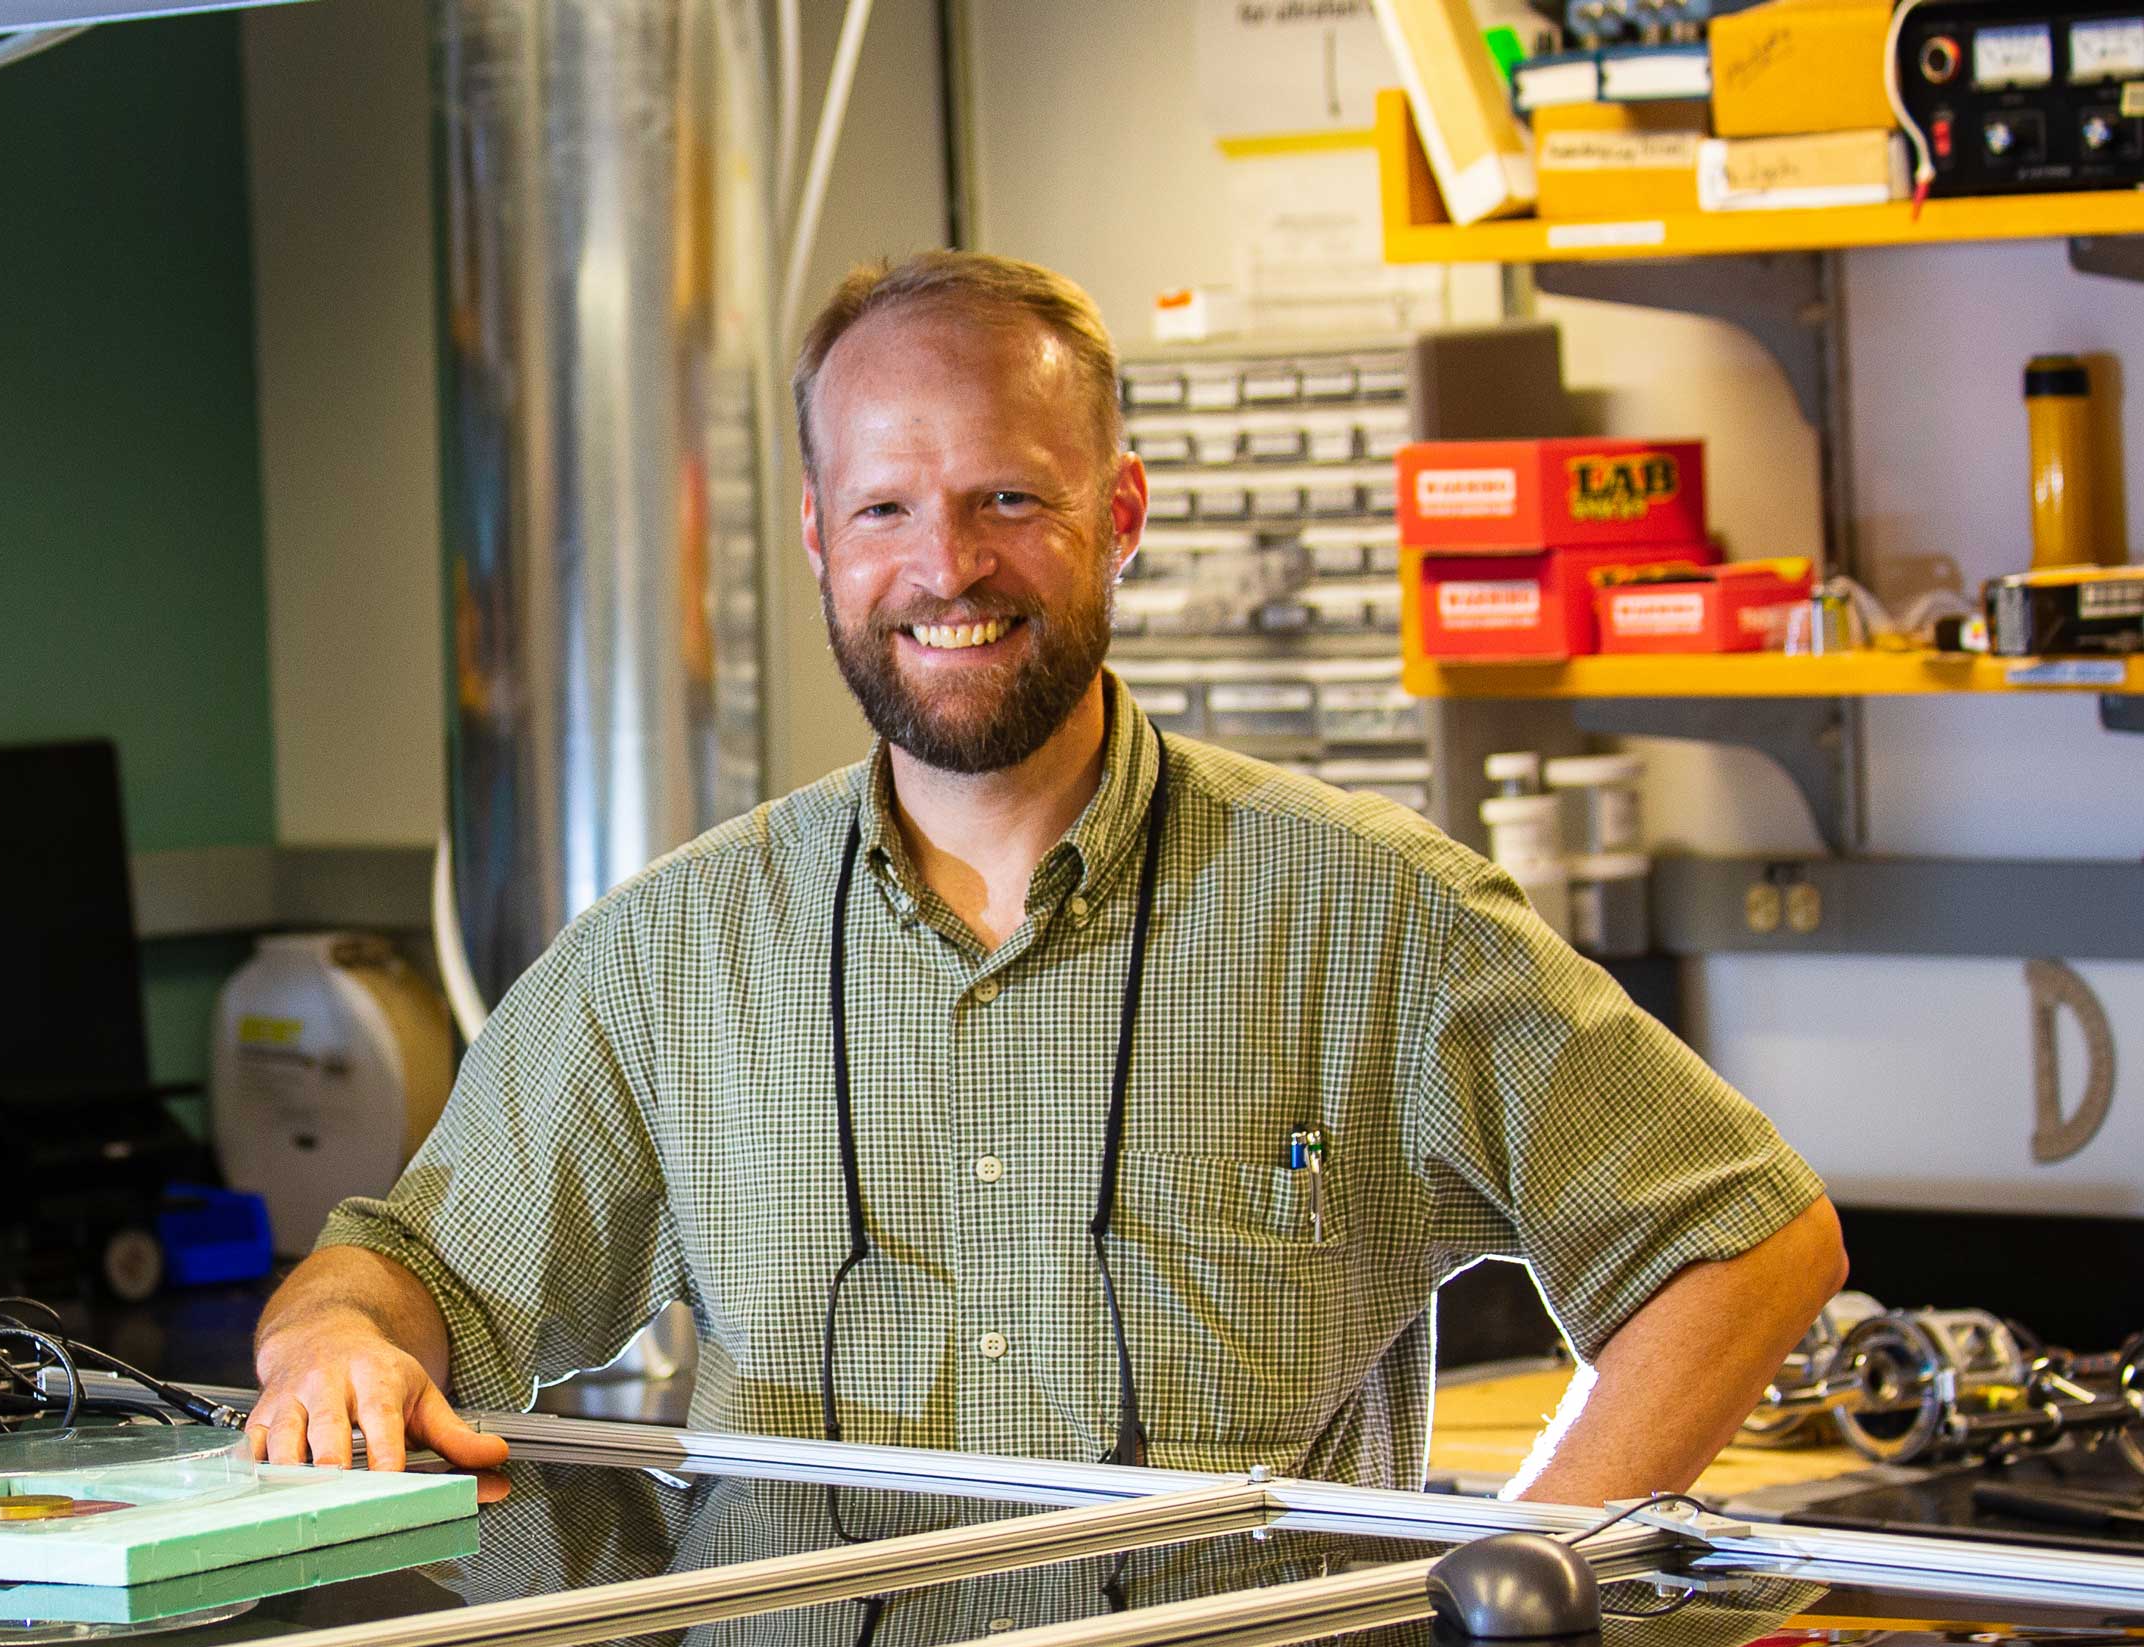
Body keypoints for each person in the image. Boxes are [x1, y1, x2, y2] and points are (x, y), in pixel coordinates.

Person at [248, 250, 1845, 1503]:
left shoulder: (1375, 921)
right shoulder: (677, 955)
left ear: (1120, 516)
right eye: (887, 508)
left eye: (1009, 497)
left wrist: (1523, 1571)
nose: (947, 568)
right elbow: (415, 1274)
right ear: (818, 536)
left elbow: (1746, 1239)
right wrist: (331, 1340)